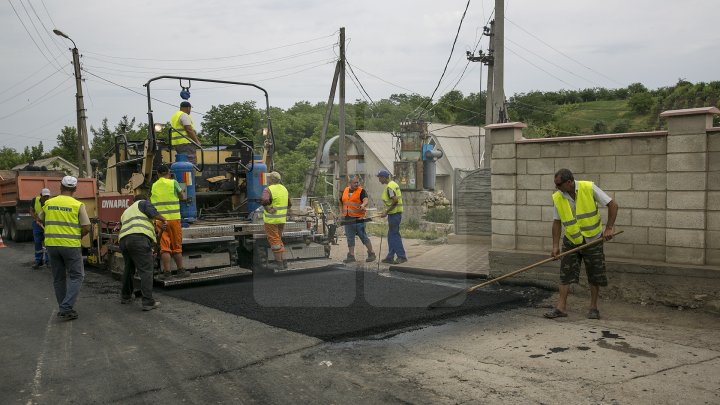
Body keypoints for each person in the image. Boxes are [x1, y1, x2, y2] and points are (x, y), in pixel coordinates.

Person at [545, 168, 619, 320]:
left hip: (593, 240)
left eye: (558, 184)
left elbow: (613, 205)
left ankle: (593, 308)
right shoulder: (558, 197)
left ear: (569, 182)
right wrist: (555, 246)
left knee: (594, 274)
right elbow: (557, 222)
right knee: (565, 274)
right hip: (572, 240)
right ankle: (561, 308)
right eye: (555, 185)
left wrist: (609, 228)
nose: (556, 188)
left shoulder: (588, 187)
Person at [40, 176, 91, 321]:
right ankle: (66, 307)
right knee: (77, 276)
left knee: (58, 278)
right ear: (75, 189)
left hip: (51, 244)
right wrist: (78, 236)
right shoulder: (77, 205)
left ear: (60, 187)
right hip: (70, 245)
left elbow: (40, 218)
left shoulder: (49, 203)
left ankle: (64, 306)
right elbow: (86, 227)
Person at [118, 194, 167, 311]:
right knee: (146, 271)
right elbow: (154, 214)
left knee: (128, 269)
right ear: (145, 199)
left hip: (124, 241)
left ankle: (125, 296)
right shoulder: (143, 203)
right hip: (138, 239)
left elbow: (150, 233)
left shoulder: (126, 211)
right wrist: (164, 219)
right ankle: (148, 302)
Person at [150, 164, 189, 280]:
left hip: (160, 220)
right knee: (176, 245)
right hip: (174, 219)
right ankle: (181, 270)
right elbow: (182, 197)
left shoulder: (154, 185)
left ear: (157, 174)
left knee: (164, 247)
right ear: (168, 172)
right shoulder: (173, 183)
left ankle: (167, 273)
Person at [339, 175, 376, 263]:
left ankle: (371, 253)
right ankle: (351, 256)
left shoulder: (361, 191)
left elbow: (366, 200)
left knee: (363, 236)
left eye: (357, 182)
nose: (357, 184)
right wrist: (341, 213)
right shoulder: (345, 190)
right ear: (350, 183)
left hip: (358, 219)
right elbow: (340, 202)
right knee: (350, 238)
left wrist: (363, 205)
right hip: (348, 219)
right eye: (355, 182)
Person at [261, 171, 290, 270]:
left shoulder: (268, 189)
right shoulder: (284, 188)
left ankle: (279, 264)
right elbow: (289, 204)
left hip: (271, 220)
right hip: (281, 219)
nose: (267, 179)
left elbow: (264, 200)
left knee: (274, 241)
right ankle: (284, 262)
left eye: (268, 177)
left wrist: (268, 209)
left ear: (271, 180)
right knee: (278, 240)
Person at [376, 169, 407, 264]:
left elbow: (395, 201)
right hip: (395, 213)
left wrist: (386, 211)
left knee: (394, 235)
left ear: (384, 177)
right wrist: (386, 211)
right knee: (391, 236)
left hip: (394, 214)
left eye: (380, 178)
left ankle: (401, 256)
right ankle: (390, 257)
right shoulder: (394, 184)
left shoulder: (389, 187)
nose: (379, 180)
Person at [30, 188, 51, 269]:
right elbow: (31, 211)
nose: (46, 198)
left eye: (47, 196)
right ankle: (38, 261)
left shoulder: (50, 202)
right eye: (45, 196)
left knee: (48, 243)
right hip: (37, 224)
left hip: (47, 224)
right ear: (41, 195)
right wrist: (36, 219)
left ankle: (48, 261)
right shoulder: (35, 200)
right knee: (38, 242)